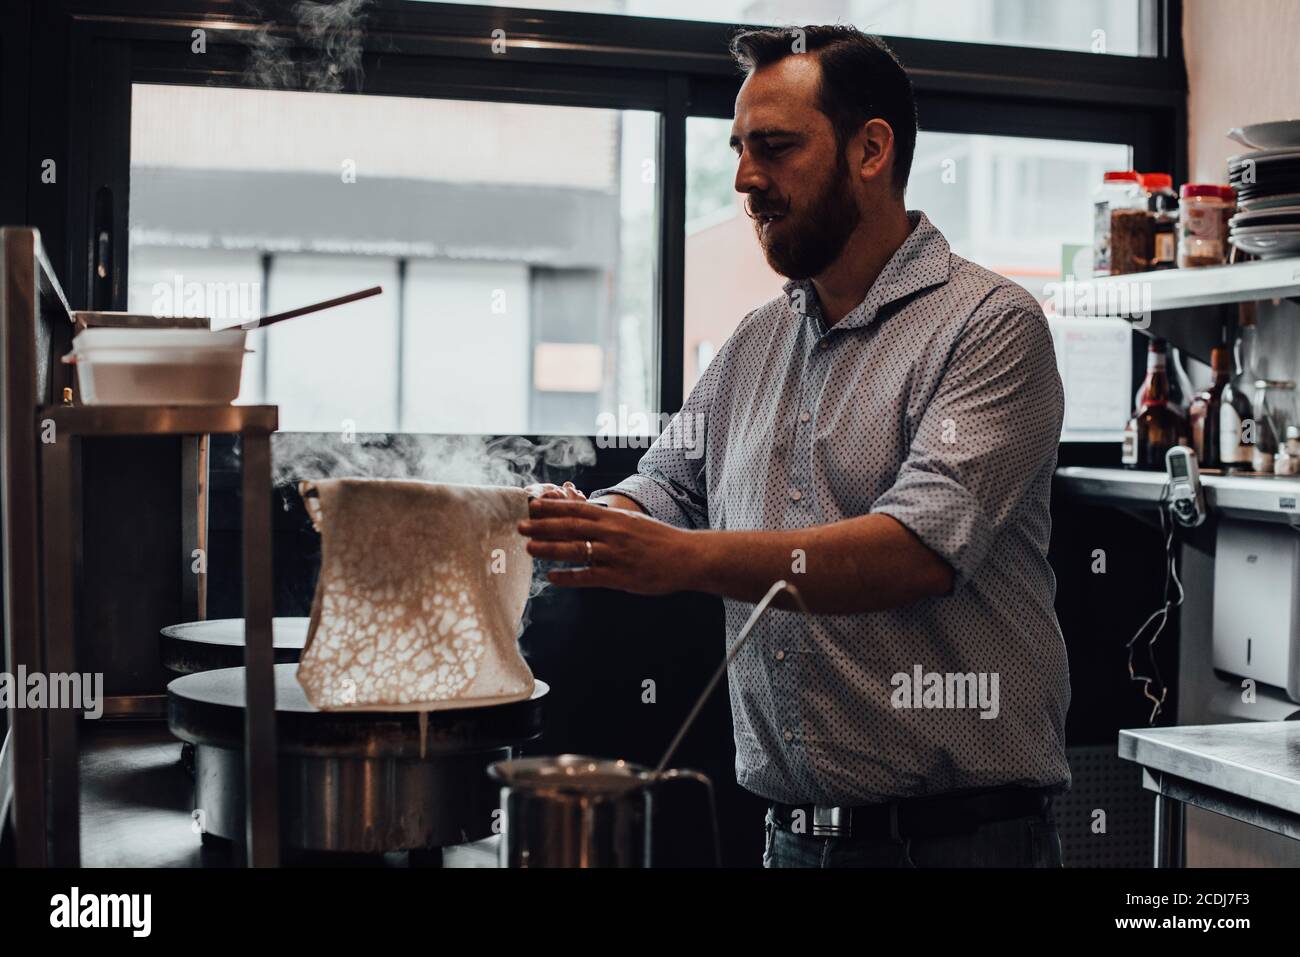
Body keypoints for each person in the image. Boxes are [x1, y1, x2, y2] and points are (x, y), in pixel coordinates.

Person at [521, 24, 1069, 868]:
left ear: (871, 150)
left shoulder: (989, 325)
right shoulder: (755, 341)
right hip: (790, 841)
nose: (745, 180)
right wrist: (595, 522)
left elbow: (916, 550)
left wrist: (682, 559)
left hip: (960, 842)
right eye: (741, 149)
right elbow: (666, 483)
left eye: (775, 148)